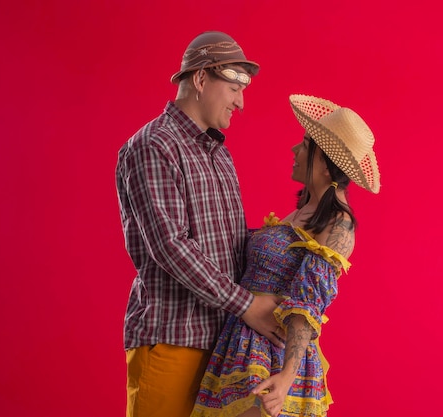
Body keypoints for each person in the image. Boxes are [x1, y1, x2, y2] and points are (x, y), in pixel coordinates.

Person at [115, 31, 286, 417]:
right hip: (173, 340)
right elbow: (170, 246)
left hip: (223, 343)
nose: (241, 101)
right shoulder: (154, 145)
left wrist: (290, 243)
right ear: (201, 78)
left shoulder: (218, 153)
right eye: (235, 86)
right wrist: (248, 306)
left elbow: (229, 243)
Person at [191, 94, 381, 417]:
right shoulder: (302, 213)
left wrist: (287, 378)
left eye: (305, 145)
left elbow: (307, 304)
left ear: (324, 163)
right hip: (239, 347)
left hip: (272, 360)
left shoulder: (339, 224)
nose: (295, 150)